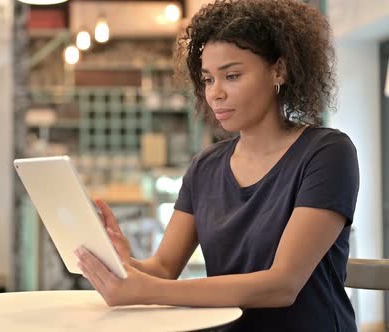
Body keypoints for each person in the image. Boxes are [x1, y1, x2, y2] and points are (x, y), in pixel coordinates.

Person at [74, 0, 360, 331]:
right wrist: (123, 264)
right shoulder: (206, 166)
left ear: (278, 70)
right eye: (208, 80)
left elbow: (283, 284)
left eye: (232, 75)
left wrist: (149, 289)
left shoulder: (326, 153)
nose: (216, 94)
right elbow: (165, 267)